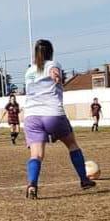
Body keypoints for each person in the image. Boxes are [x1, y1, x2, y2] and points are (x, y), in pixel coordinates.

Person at [22, 39, 95, 199]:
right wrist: (56, 76)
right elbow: (54, 71)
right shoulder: (53, 64)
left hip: (32, 116)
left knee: (36, 155)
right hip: (52, 113)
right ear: (50, 51)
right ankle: (84, 180)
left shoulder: (29, 71)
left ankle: (32, 184)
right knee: (72, 145)